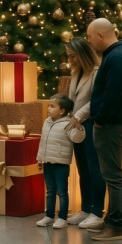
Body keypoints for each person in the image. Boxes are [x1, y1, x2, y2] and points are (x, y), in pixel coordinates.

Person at [86, 18, 122, 241]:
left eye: (90, 37)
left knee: (113, 176)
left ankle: (116, 226)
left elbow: (111, 94)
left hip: (111, 124)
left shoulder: (116, 57)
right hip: (113, 122)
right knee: (111, 174)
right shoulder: (117, 54)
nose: (88, 42)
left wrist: (100, 120)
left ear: (100, 35)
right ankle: (111, 221)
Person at [64, 38, 105, 230]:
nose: (70, 60)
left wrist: (79, 116)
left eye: (73, 56)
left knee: (94, 169)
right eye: (68, 56)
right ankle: (86, 209)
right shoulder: (76, 74)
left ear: (82, 55)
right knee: (82, 169)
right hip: (77, 127)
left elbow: (96, 100)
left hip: (90, 125)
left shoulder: (96, 73)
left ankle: (97, 212)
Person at [35, 94, 86, 229]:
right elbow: (43, 142)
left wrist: (79, 128)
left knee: (62, 192)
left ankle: (62, 218)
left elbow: (77, 138)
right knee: (50, 191)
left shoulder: (69, 123)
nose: (48, 109)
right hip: (47, 162)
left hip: (61, 164)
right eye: (49, 106)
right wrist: (40, 158)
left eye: (52, 106)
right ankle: (49, 216)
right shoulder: (47, 122)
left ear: (62, 111)